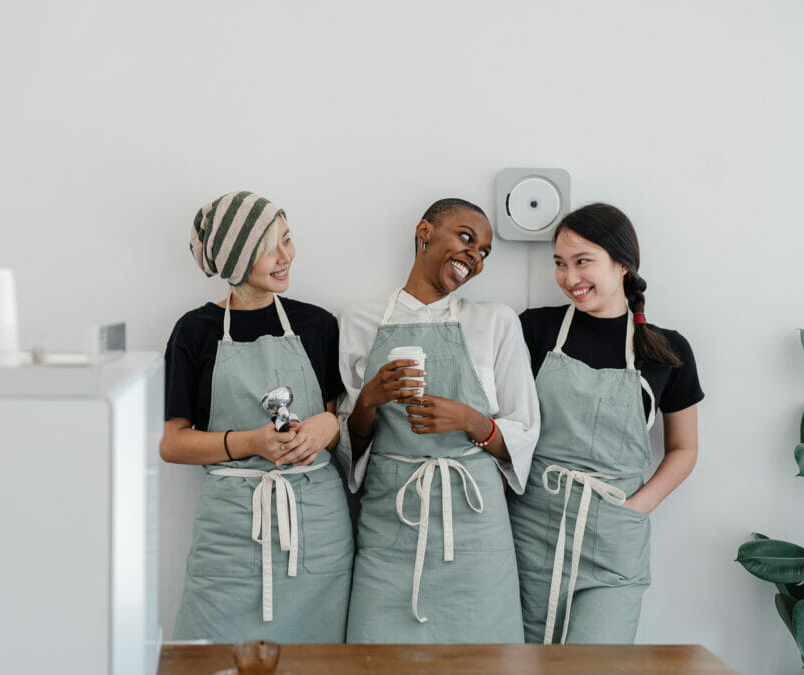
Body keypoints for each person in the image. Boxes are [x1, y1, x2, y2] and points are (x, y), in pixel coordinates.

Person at [337, 198, 540, 643]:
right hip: (391, 522)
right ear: (424, 232)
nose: (475, 256)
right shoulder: (359, 320)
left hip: (475, 525)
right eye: (466, 238)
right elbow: (350, 446)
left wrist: (473, 421)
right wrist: (370, 398)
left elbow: (524, 433)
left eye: (484, 252)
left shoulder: (496, 321)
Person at [161, 191, 353, 643]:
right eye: (270, 249)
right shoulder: (195, 331)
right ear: (235, 260)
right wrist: (251, 442)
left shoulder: (318, 324)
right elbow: (172, 442)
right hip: (230, 533)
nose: (286, 256)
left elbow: (340, 415)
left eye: (288, 239)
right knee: (209, 658)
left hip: (316, 529)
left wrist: (329, 428)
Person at [510, 202, 703, 645]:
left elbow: (684, 449)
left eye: (582, 262)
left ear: (622, 265)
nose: (569, 278)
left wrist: (637, 508)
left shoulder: (667, 351)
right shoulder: (533, 329)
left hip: (613, 537)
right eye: (560, 264)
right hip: (530, 530)